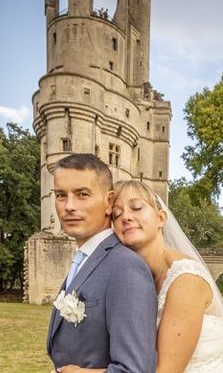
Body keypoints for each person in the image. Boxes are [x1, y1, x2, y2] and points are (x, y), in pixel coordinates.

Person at [112, 180, 223, 373]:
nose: (126, 217)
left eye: (137, 208)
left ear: (161, 218)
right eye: (117, 214)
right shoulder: (136, 279)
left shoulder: (186, 279)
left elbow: (165, 370)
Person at [46, 154, 157, 373]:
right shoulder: (85, 259)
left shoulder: (125, 268)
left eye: (82, 194)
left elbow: (134, 370)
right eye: (61, 195)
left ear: (108, 202)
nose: (69, 206)